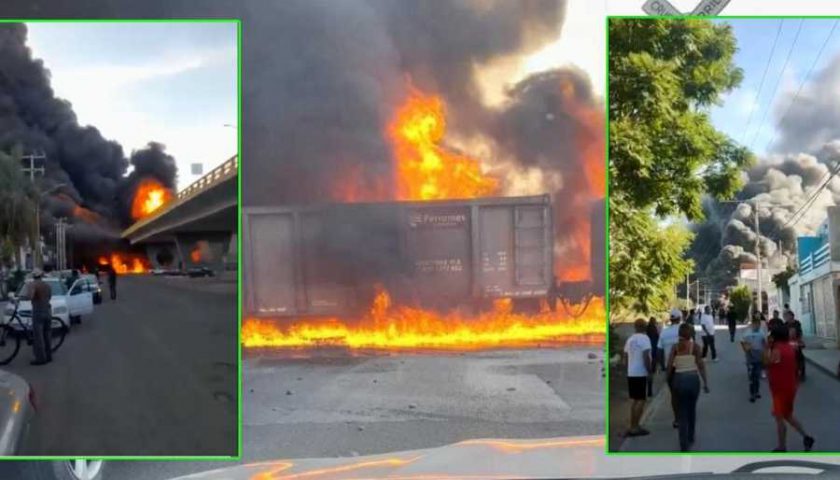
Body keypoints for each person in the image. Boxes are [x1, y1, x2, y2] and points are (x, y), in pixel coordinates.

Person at [764, 326, 814, 452]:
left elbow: (766, 362)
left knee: (779, 417)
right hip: (790, 386)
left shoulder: (777, 350)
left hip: (780, 389)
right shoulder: (789, 347)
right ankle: (806, 437)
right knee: (787, 415)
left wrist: (766, 347)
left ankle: (782, 447)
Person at [667, 323, 709, 451]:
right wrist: (705, 382)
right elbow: (700, 365)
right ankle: (691, 436)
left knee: (681, 412)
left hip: (678, 380)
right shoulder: (695, 347)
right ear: (691, 334)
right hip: (692, 380)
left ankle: (683, 443)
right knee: (691, 409)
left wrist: (668, 380)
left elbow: (669, 365)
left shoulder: (675, 347)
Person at [623, 318, 652, 437]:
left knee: (635, 400)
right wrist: (649, 371)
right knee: (641, 400)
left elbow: (625, 356)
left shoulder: (630, 339)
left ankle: (633, 425)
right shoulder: (645, 339)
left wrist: (628, 370)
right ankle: (635, 427)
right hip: (640, 372)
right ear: (644, 327)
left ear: (635, 327)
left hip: (631, 372)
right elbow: (646, 356)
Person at [20, 269, 52, 365]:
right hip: (47, 310)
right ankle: (49, 356)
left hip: (38, 311)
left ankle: (41, 359)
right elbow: (49, 296)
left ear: (33, 276)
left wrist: (25, 296)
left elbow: (30, 296)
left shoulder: (33, 284)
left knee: (38, 337)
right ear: (41, 276)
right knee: (47, 335)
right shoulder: (47, 285)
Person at [658, 309, 683, 429]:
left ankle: (677, 419)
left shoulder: (664, 332)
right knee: (685, 392)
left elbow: (659, 350)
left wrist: (663, 366)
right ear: (679, 318)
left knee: (674, 394)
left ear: (671, 319)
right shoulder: (683, 330)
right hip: (684, 365)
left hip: (670, 367)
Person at [740, 315, 766, 402]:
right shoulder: (747, 333)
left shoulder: (761, 332)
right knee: (751, 376)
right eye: (755, 324)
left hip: (759, 356)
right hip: (750, 357)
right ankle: (752, 394)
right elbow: (742, 341)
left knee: (757, 375)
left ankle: (757, 391)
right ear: (752, 324)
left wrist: (765, 352)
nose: (757, 326)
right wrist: (745, 348)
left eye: (759, 324)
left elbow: (764, 342)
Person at [784, 311, 805, 382]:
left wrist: (799, 341)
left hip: (796, 341)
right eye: (786, 316)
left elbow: (800, 333)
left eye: (787, 316)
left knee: (800, 358)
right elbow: (784, 334)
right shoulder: (785, 324)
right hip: (788, 342)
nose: (786, 317)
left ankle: (802, 373)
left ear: (792, 316)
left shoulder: (797, 323)